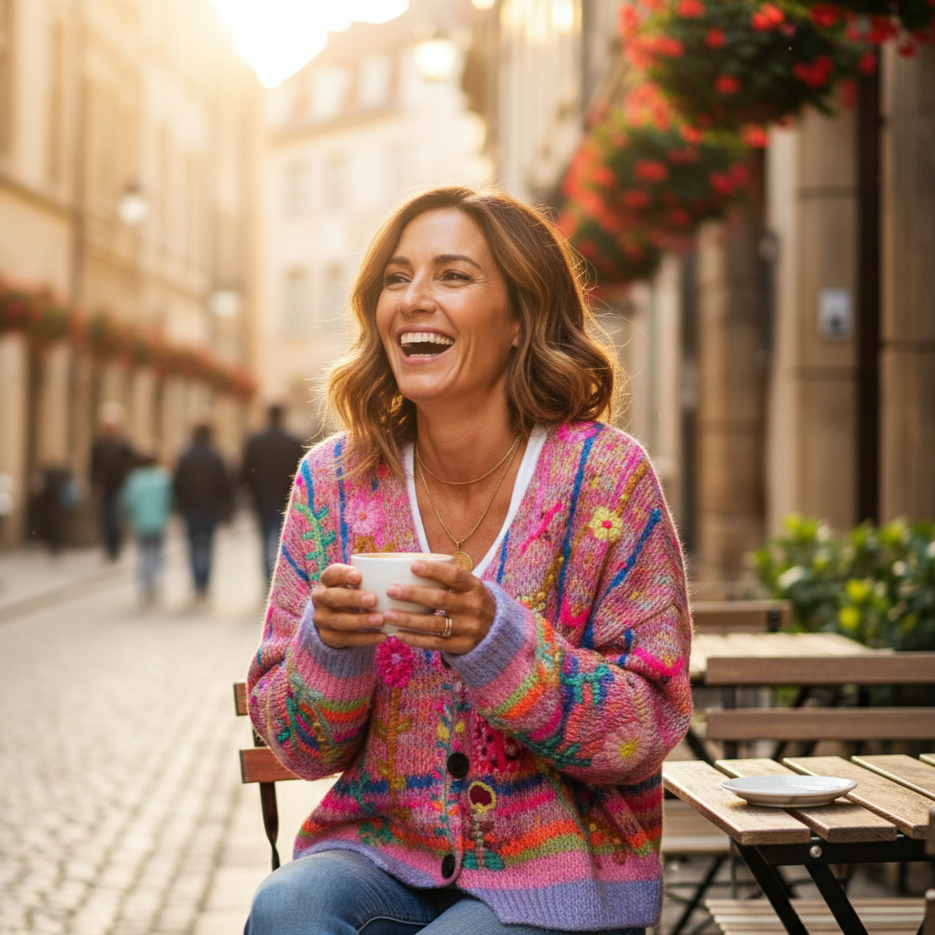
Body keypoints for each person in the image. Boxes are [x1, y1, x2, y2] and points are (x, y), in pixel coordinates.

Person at [244, 187, 692, 935]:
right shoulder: (332, 483)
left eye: (452, 275)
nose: (414, 298)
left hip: (558, 873)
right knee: (287, 905)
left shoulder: (606, 478)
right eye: (396, 277)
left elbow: (646, 722)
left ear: (521, 317)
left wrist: (499, 640)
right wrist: (331, 647)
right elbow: (296, 745)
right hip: (377, 853)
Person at [241, 404, 305, 585]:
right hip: (286, 498)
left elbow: (246, 472)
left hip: (262, 498)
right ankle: (279, 581)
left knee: (263, 539)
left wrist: (252, 492)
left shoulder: (255, 440)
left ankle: (268, 580)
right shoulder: (292, 441)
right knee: (282, 540)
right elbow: (300, 473)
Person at [172, 424, 232, 601]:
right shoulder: (216, 456)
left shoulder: (185, 456)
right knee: (208, 546)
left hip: (190, 509)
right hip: (210, 509)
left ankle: (197, 583)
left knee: (192, 546)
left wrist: (180, 506)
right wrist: (226, 507)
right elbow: (225, 484)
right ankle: (204, 584)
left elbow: (177, 483)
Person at [122, 451, 173, 603]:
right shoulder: (162, 478)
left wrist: (131, 517)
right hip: (158, 522)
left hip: (141, 523)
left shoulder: (134, 479)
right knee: (157, 552)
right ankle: (155, 580)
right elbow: (169, 500)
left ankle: (146, 582)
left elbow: (129, 502)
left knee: (144, 552)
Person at [90, 401, 134, 561]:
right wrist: (93, 484)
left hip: (119, 487)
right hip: (104, 487)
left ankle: (116, 548)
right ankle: (109, 549)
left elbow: (131, 465)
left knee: (116, 519)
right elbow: (92, 466)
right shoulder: (98, 444)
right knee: (105, 519)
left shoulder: (124, 444)